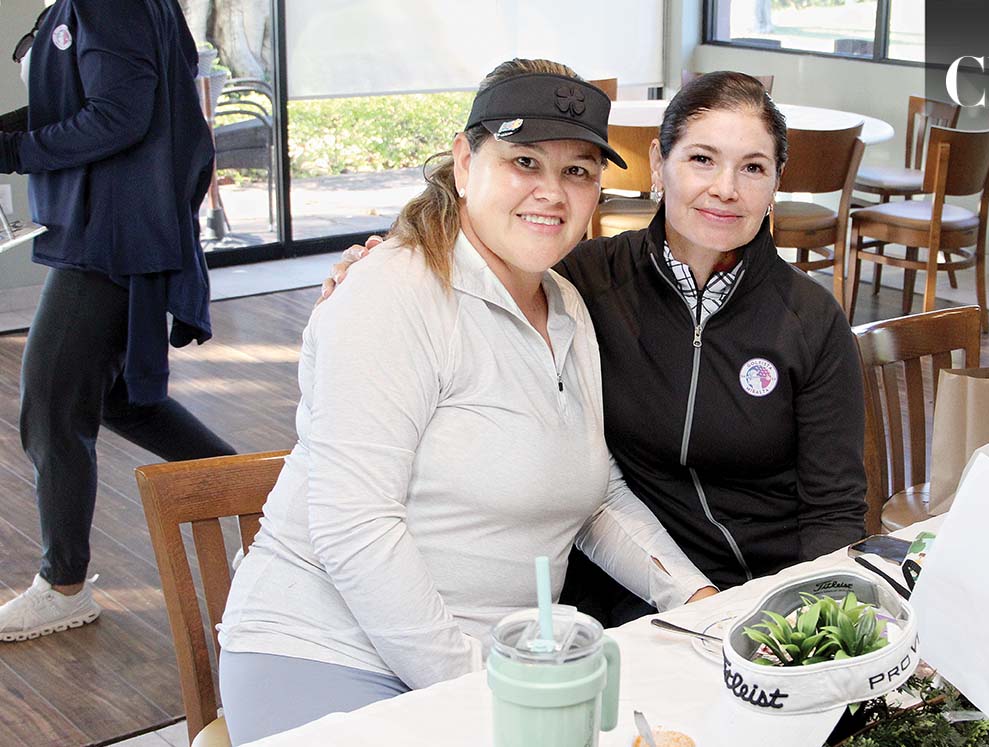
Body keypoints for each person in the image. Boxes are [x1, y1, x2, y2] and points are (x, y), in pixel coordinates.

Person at [216, 58, 715, 745]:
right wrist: (479, 689)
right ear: (464, 160)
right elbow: (355, 528)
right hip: (326, 654)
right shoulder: (393, 292)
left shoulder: (563, 302)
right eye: (524, 161)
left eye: (577, 171)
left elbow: (595, 495)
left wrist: (695, 597)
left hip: (491, 665)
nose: (552, 191)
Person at [329, 72, 868, 627]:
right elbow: (482, 252)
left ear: (777, 180)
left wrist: (811, 626)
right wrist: (388, 258)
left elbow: (834, 508)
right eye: (702, 159)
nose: (726, 188)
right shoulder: (579, 283)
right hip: (620, 598)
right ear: (659, 164)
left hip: (768, 597)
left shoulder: (811, 319)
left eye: (753, 167)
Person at [0, 0, 234, 643]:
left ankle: (64, 587)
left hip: (112, 235)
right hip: (108, 225)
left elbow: (121, 115)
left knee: (50, 405)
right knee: (121, 400)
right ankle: (272, 498)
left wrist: (15, 151)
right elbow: (81, 102)